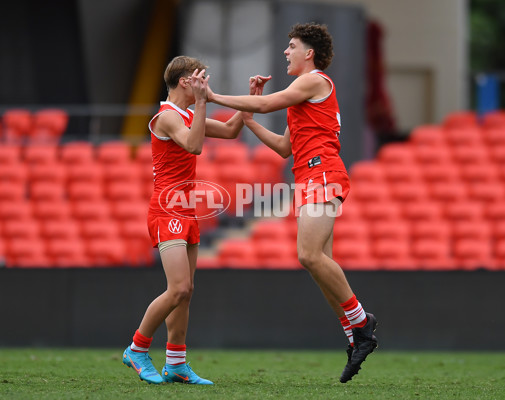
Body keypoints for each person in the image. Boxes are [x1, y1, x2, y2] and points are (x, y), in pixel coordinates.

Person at [207, 23, 378, 383]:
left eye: (291, 46)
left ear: (309, 53)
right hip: (310, 176)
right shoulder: (305, 94)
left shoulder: (315, 80)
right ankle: (354, 337)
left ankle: (362, 323)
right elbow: (286, 147)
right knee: (319, 263)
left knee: (308, 255)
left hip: (323, 175)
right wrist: (250, 122)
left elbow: (268, 101)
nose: (286, 52)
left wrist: (213, 96)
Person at [122, 56, 262, 385]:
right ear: (185, 82)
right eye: (200, 78)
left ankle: (176, 363)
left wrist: (251, 99)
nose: (205, 83)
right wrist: (203, 102)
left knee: (187, 292)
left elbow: (229, 130)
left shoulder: (186, 114)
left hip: (186, 209)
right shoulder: (168, 116)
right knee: (178, 288)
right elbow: (195, 145)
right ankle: (136, 349)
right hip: (167, 210)